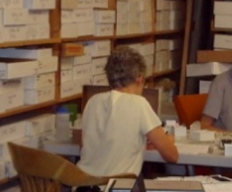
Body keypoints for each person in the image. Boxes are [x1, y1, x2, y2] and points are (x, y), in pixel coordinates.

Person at [77, 46, 179, 177]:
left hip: (83, 185)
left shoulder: (93, 101)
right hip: (116, 187)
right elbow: (172, 156)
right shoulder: (139, 103)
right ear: (139, 78)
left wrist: (141, 144)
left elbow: (87, 149)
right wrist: (168, 141)